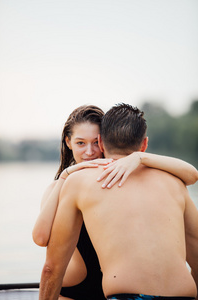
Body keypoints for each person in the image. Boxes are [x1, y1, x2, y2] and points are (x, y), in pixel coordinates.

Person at [34, 104, 198, 300]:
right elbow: (41, 238)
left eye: (95, 142)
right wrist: (65, 176)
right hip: (80, 289)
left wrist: (140, 158)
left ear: (102, 142)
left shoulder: (81, 183)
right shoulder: (174, 182)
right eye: (81, 143)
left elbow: (51, 268)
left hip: (119, 292)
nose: (90, 151)